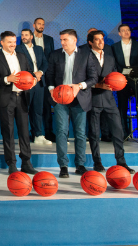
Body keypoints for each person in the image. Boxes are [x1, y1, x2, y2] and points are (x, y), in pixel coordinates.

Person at [46, 29, 98, 178]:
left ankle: (80, 165)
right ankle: (63, 166)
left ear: (74, 40)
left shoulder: (86, 54)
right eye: (61, 40)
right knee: (61, 132)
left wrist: (79, 86)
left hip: (79, 98)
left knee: (80, 133)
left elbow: (93, 78)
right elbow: (49, 75)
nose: (62, 42)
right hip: (60, 99)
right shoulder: (55, 55)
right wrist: (51, 89)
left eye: (65, 40)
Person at [87, 30, 135, 174]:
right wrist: (97, 84)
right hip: (94, 99)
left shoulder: (110, 58)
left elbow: (114, 76)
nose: (101, 42)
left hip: (109, 99)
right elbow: (82, 79)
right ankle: (97, 162)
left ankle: (121, 162)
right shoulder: (85, 57)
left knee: (118, 131)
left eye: (102, 39)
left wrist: (118, 83)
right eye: (97, 39)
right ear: (90, 42)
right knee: (94, 134)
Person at [0, 31, 37, 175]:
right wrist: (6, 79)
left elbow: (30, 72)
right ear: (2, 43)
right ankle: (11, 163)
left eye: (14, 42)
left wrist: (33, 80)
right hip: (6, 99)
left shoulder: (22, 56)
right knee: (8, 132)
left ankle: (26, 163)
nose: (12, 44)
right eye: (9, 42)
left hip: (22, 97)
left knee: (24, 132)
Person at [16, 29, 50, 145]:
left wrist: (40, 72)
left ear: (31, 37)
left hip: (39, 83)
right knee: (25, 110)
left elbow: (45, 63)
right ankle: (25, 135)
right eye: (22, 35)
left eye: (26, 35)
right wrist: (32, 75)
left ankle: (38, 134)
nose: (23, 37)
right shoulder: (18, 49)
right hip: (26, 83)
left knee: (38, 109)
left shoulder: (39, 49)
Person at [110, 24, 138, 139]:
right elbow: (114, 64)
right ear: (119, 33)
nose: (126, 32)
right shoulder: (114, 47)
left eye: (128, 30)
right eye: (123, 30)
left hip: (136, 78)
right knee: (122, 107)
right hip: (121, 79)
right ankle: (123, 132)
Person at [33, 17, 56, 142]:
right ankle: (35, 133)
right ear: (34, 25)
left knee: (47, 105)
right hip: (32, 76)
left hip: (46, 76)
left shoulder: (49, 39)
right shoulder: (27, 38)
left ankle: (49, 132)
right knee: (33, 106)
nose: (41, 26)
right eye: (39, 24)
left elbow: (51, 57)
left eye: (43, 24)